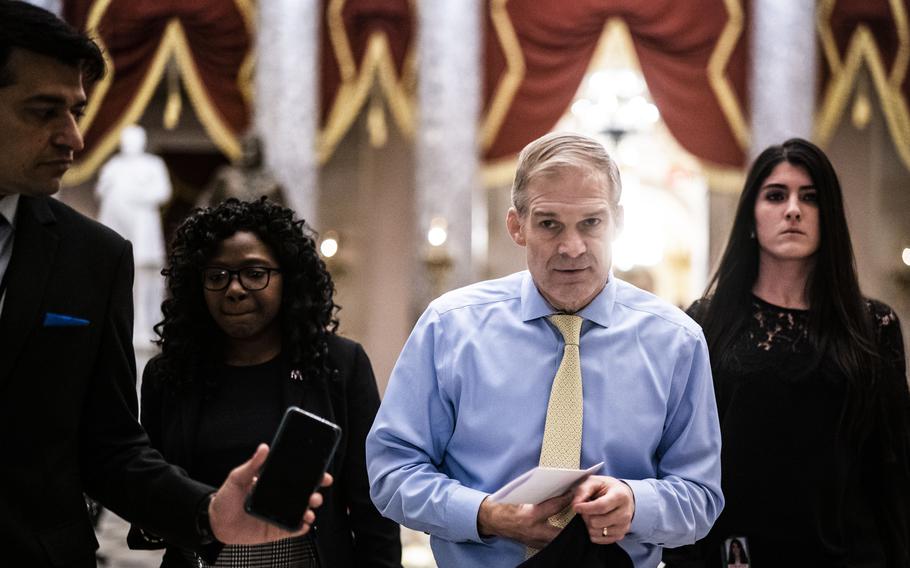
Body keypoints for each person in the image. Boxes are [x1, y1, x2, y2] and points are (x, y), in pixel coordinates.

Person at [0, 3, 327, 565]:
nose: (73, 139)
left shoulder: (93, 257)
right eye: (43, 111)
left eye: (76, 111)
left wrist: (207, 513)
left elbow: (110, 445)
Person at [366, 132, 724, 568]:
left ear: (618, 222)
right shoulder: (450, 328)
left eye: (591, 223)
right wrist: (485, 515)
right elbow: (391, 472)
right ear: (516, 225)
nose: (571, 247)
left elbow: (701, 498)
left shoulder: (676, 341)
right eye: (549, 223)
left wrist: (635, 502)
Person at [662, 138, 910, 567]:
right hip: (736, 551)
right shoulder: (707, 320)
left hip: (852, 555)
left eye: (809, 198)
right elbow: (682, 454)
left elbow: (892, 464)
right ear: (752, 217)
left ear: (828, 216)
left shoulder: (874, 324)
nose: (792, 209)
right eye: (776, 195)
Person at [131, 198, 401, 567]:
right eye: (217, 276)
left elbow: (373, 504)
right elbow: (151, 490)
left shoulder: (339, 364)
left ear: (288, 277)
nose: (235, 289)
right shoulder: (168, 374)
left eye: (255, 273)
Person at [95, 124, 172, 350]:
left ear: (142, 141)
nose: (130, 145)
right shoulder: (113, 166)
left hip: (143, 231)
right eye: (126, 140)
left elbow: (163, 191)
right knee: (118, 278)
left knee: (146, 279)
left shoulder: (153, 164)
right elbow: (102, 190)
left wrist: (134, 195)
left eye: (134, 140)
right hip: (118, 228)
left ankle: (147, 327)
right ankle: (118, 326)